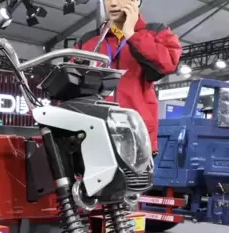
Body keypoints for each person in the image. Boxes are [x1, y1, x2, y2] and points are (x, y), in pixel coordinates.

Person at [75, 0, 181, 156]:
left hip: (136, 135)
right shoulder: (88, 40)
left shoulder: (155, 32)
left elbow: (167, 64)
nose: (112, 3)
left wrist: (131, 34)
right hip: (93, 134)